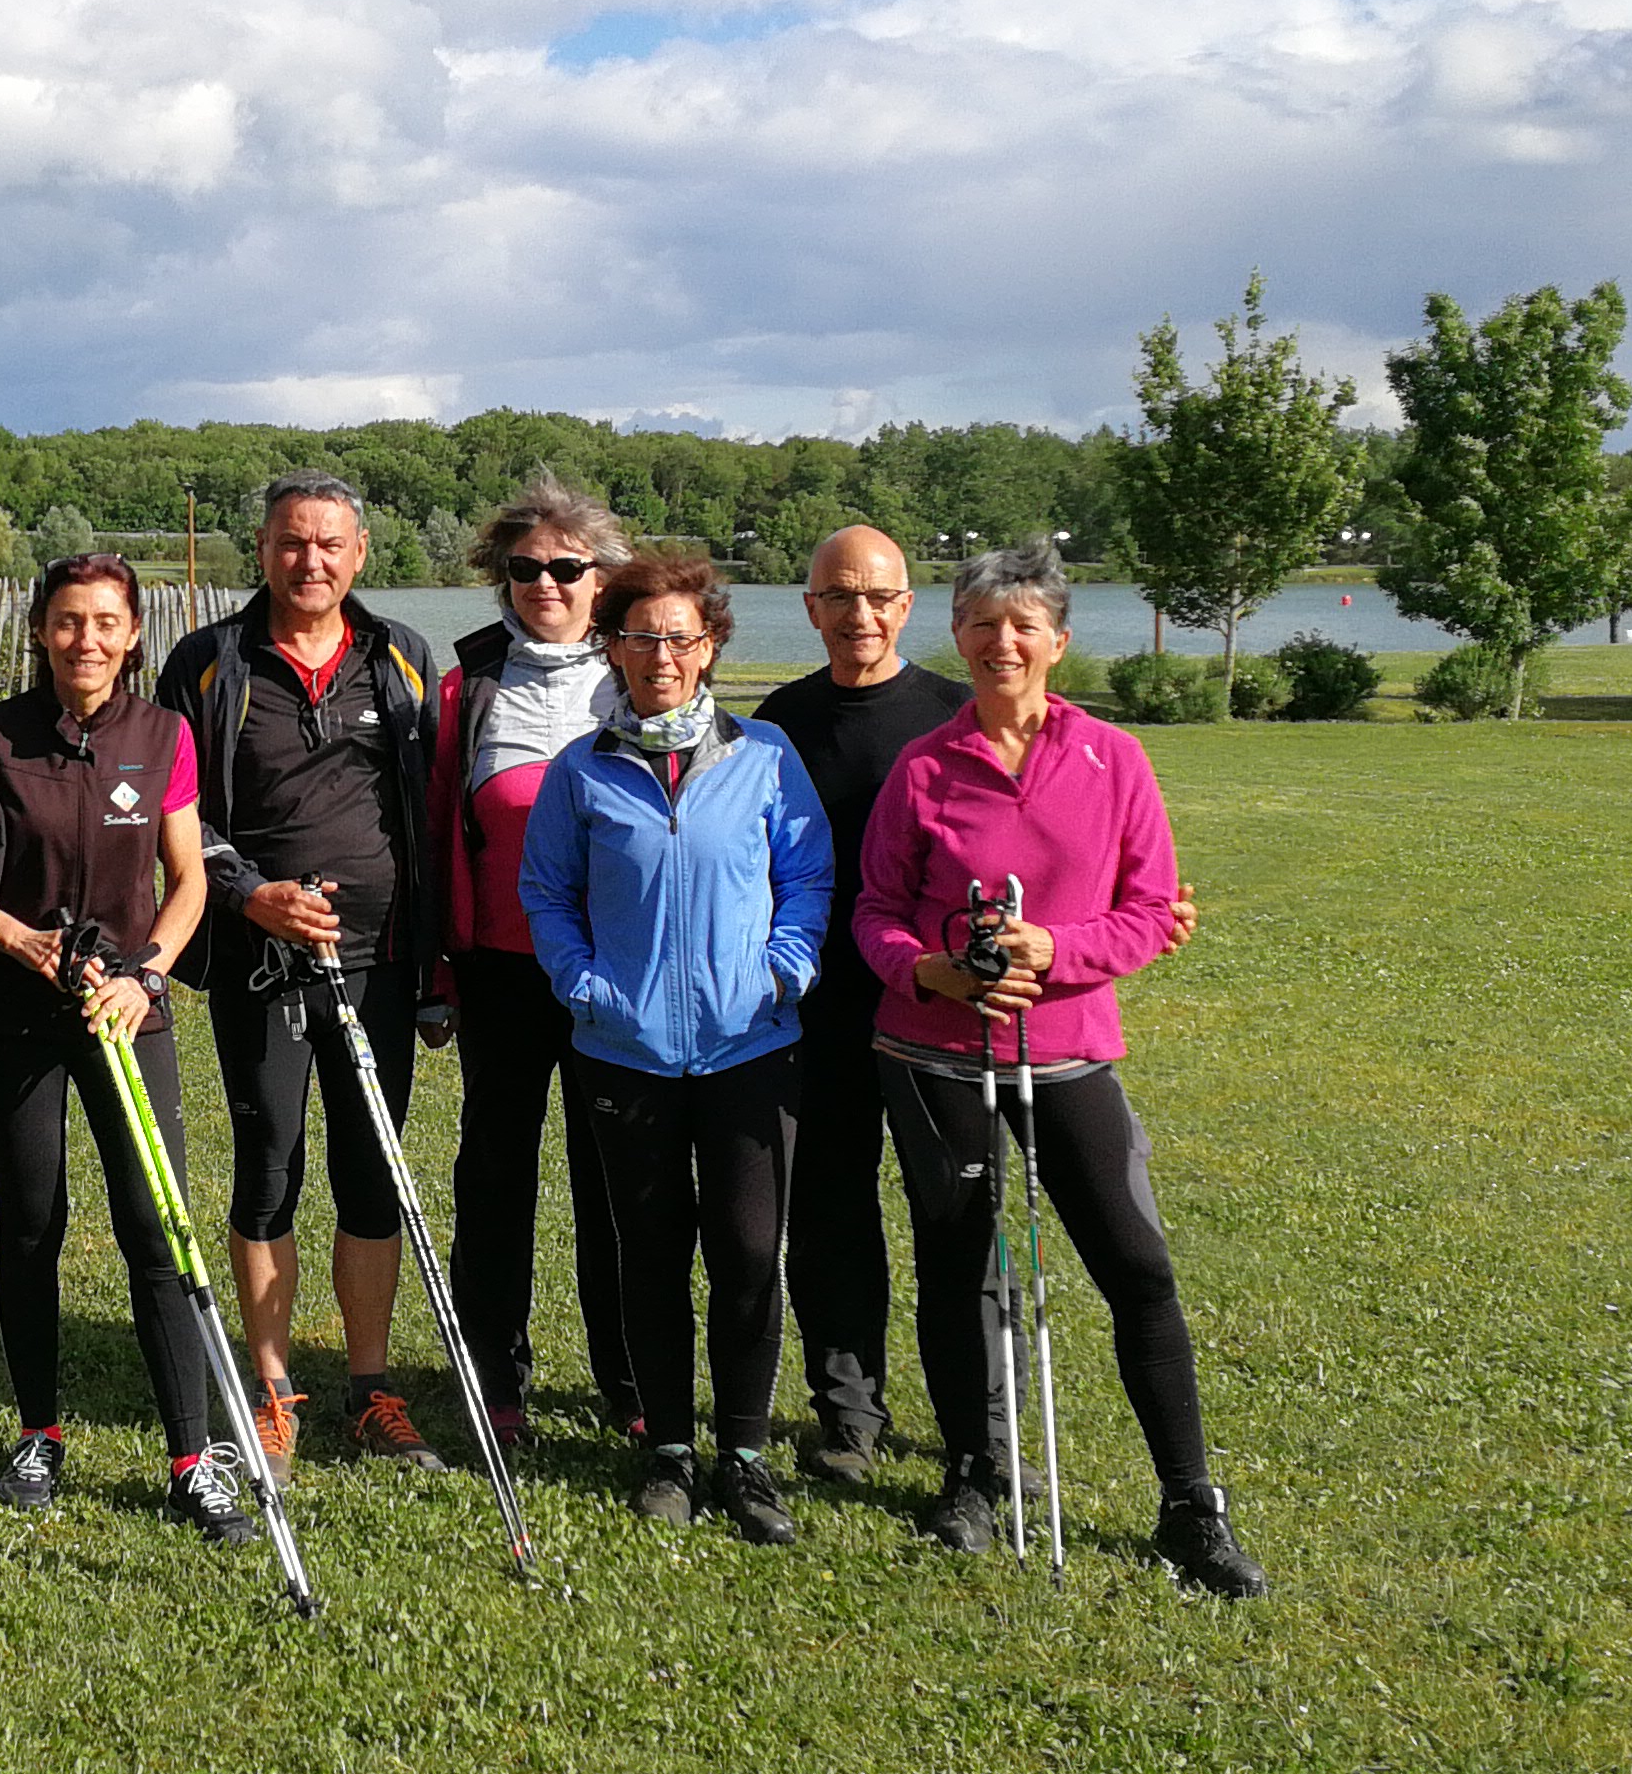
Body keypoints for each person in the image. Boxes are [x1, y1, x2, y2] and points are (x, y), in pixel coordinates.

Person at [853, 543, 1268, 1597]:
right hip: (936, 1052)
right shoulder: (923, 766)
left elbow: (1149, 908)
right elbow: (873, 910)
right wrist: (933, 973)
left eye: (1022, 625)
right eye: (982, 624)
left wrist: (1056, 952)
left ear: (1056, 641)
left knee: (1134, 1266)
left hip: (1069, 1050)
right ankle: (968, 1475)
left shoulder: (1110, 759)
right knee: (955, 1266)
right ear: (956, 634)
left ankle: (1188, 1503)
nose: (1001, 643)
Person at [518, 555, 833, 1541]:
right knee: (648, 1256)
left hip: (749, 1047)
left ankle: (740, 1454)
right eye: (641, 636)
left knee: (745, 1253)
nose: (661, 655)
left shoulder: (767, 755)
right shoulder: (581, 770)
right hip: (626, 1052)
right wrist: (585, 988)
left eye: (681, 638)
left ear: (710, 649)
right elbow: (546, 894)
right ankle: (664, 1449)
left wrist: (782, 970)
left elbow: (808, 878)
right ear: (610, 645)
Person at [154, 472, 447, 1470]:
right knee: (267, 1167)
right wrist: (247, 897)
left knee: (373, 1173)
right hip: (260, 963)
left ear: (358, 553)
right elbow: (178, 815)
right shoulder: (206, 664)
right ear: (262, 547)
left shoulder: (400, 658)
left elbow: (431, 807)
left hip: (382, 963)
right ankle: (274, 1384)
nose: (308, 561)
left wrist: (438, 960)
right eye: (290, 542)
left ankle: (368, 1387)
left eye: (327, 544)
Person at [0, 552, 256, 1544]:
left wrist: (148, 977)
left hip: (127, 1012)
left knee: (153, 1227)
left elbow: (187, 879)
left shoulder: (160, 733)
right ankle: (37, 1433)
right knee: (31, 1221)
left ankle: (190, 1457)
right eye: (65, 621)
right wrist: (20, 941)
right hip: (14, 1015)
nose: (83, 639)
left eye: (103, 623)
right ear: (40, 630)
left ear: (131, 635)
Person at [427, 477, 643, 1450]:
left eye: (565, 566)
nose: (544, 583)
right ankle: (492, 1375)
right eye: (523, 568)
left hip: (617, 979)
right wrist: (437, 978)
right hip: (503, 977)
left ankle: (631, 1377)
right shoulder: (467, 687)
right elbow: (438, 835)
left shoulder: (645, 673)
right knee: (496, 1176)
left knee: (619, 1182)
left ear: (602, 577)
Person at [752, 526, 966, 1486]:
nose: (860, 615)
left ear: (908, 606)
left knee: (957, 1219)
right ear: (811, 609)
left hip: (935, 1015)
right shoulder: (776, 723)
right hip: (815, 1017)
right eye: (840, 596)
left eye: (879, 596)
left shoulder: (955, 719)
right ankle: (848, 1413)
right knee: (833, 1218)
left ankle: (980, 1424)